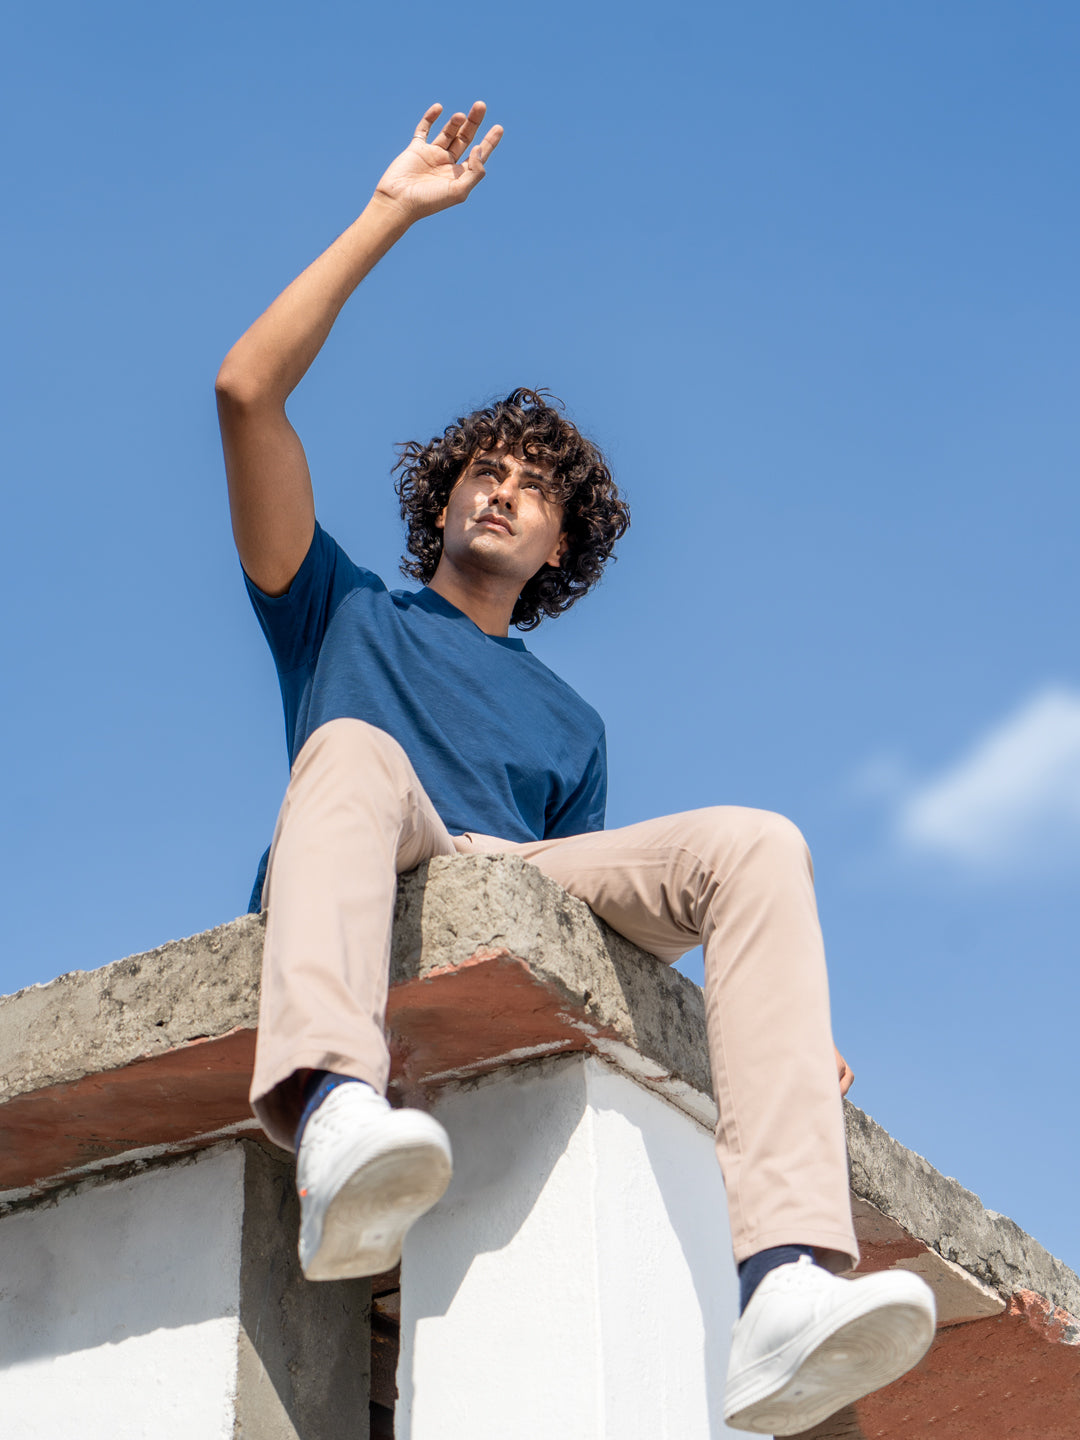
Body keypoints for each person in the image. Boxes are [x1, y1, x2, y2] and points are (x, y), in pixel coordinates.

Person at [216, 99, 936, 1436]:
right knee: (352, 745)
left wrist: (767, 1020)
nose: (500, 492)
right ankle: (331, 1113)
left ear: (559, 547)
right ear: (441, 502)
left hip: (523, 871)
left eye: (531, 489)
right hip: (377, 843)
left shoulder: (572, 727)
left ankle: (781, 1286)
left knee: (758, 841)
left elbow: (605, 945)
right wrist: (393, 212)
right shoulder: (341, 611)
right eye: (480, 473)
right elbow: (244, 391)